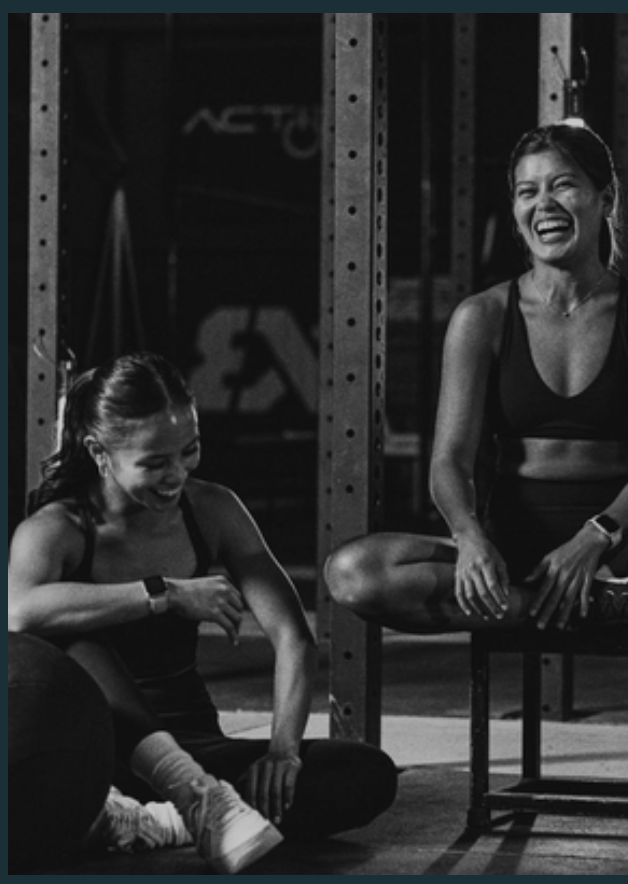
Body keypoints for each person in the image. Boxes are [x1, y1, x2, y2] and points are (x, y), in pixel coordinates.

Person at [324, 120, 628, 865]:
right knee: (352, 571)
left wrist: (599, 538)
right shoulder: (481, 317)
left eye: (562, 185)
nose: (542, 203)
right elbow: (447, 460)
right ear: (513, 210)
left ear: (603, 198)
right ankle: (598, 604)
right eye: (526, 191)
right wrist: (473, 537)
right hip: (512, 558)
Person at [8, 351, 398, 874]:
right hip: (93, 752)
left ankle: (161, 816)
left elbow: (292, 637)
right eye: (153, 462)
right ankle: (181, 802)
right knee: (73, 638)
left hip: (199, 748)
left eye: (188, 452)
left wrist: (284, 752)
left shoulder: (213, 509)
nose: (176, 475)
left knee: (363, 773)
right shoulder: (57, 527)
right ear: (99, 452)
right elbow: (19, 613)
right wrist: (165, 592)